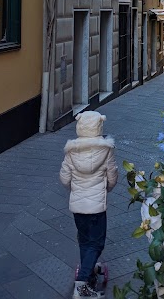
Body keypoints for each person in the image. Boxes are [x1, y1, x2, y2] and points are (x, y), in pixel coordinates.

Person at [60, 111, 118, 298]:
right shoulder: (106, 150)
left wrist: (75, 189)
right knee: (97, 244)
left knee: (84, 241)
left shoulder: (71, 151)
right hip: (97, 207)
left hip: (78, 207)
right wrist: (106, 189)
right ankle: (82, 285)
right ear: (98, 127)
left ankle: (89, 271)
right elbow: (112, 176)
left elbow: (64, 178)